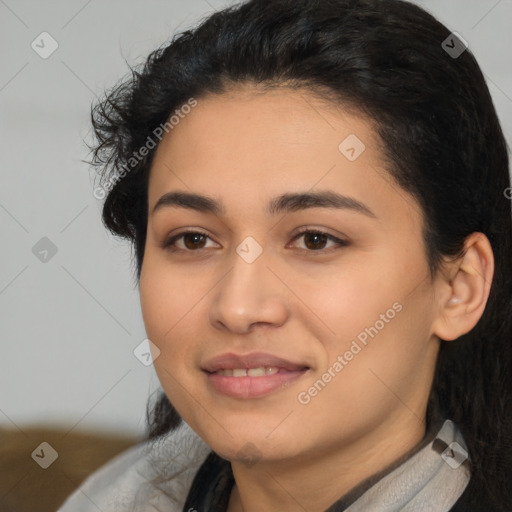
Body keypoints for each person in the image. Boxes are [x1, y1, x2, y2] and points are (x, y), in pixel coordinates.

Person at [57, 0, 512, 510]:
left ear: (459, 286)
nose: (238, 308)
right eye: (193, 239)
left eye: (315, 239)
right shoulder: (109, 497)